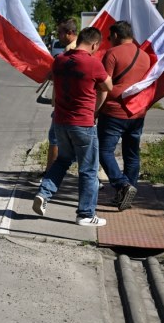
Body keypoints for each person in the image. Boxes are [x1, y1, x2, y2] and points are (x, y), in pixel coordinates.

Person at [31, 27, 112, 227]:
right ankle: (85, 214)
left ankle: (44, 193)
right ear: (94, 44)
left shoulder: (59, 60)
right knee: (88, 170)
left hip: (60, 121)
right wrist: (96, 109)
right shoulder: (93, 63)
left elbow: (54, 80)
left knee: (62, 161)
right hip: (83, 123)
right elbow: (108, 87)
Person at [97, 21, 152, 211]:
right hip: (137, 112)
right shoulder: (145, 56)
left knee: (103, 151)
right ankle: (127, 193)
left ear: (116, 36)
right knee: (131, 154)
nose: (109, 40)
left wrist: (96, 110)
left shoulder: (112, 54)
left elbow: (105, 85)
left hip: (113, 111)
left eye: (109, 37)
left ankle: (122, 185)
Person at [43, 18, 79, 172]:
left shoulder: (70, 51)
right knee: (76, 141)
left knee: (55, 139)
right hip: (72, 102)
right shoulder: (78, 48)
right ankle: (91, 176)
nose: (58, 36)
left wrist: (54, 73)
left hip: (65, 103)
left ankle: (51, 172)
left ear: (70, 33)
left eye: (60, 33)